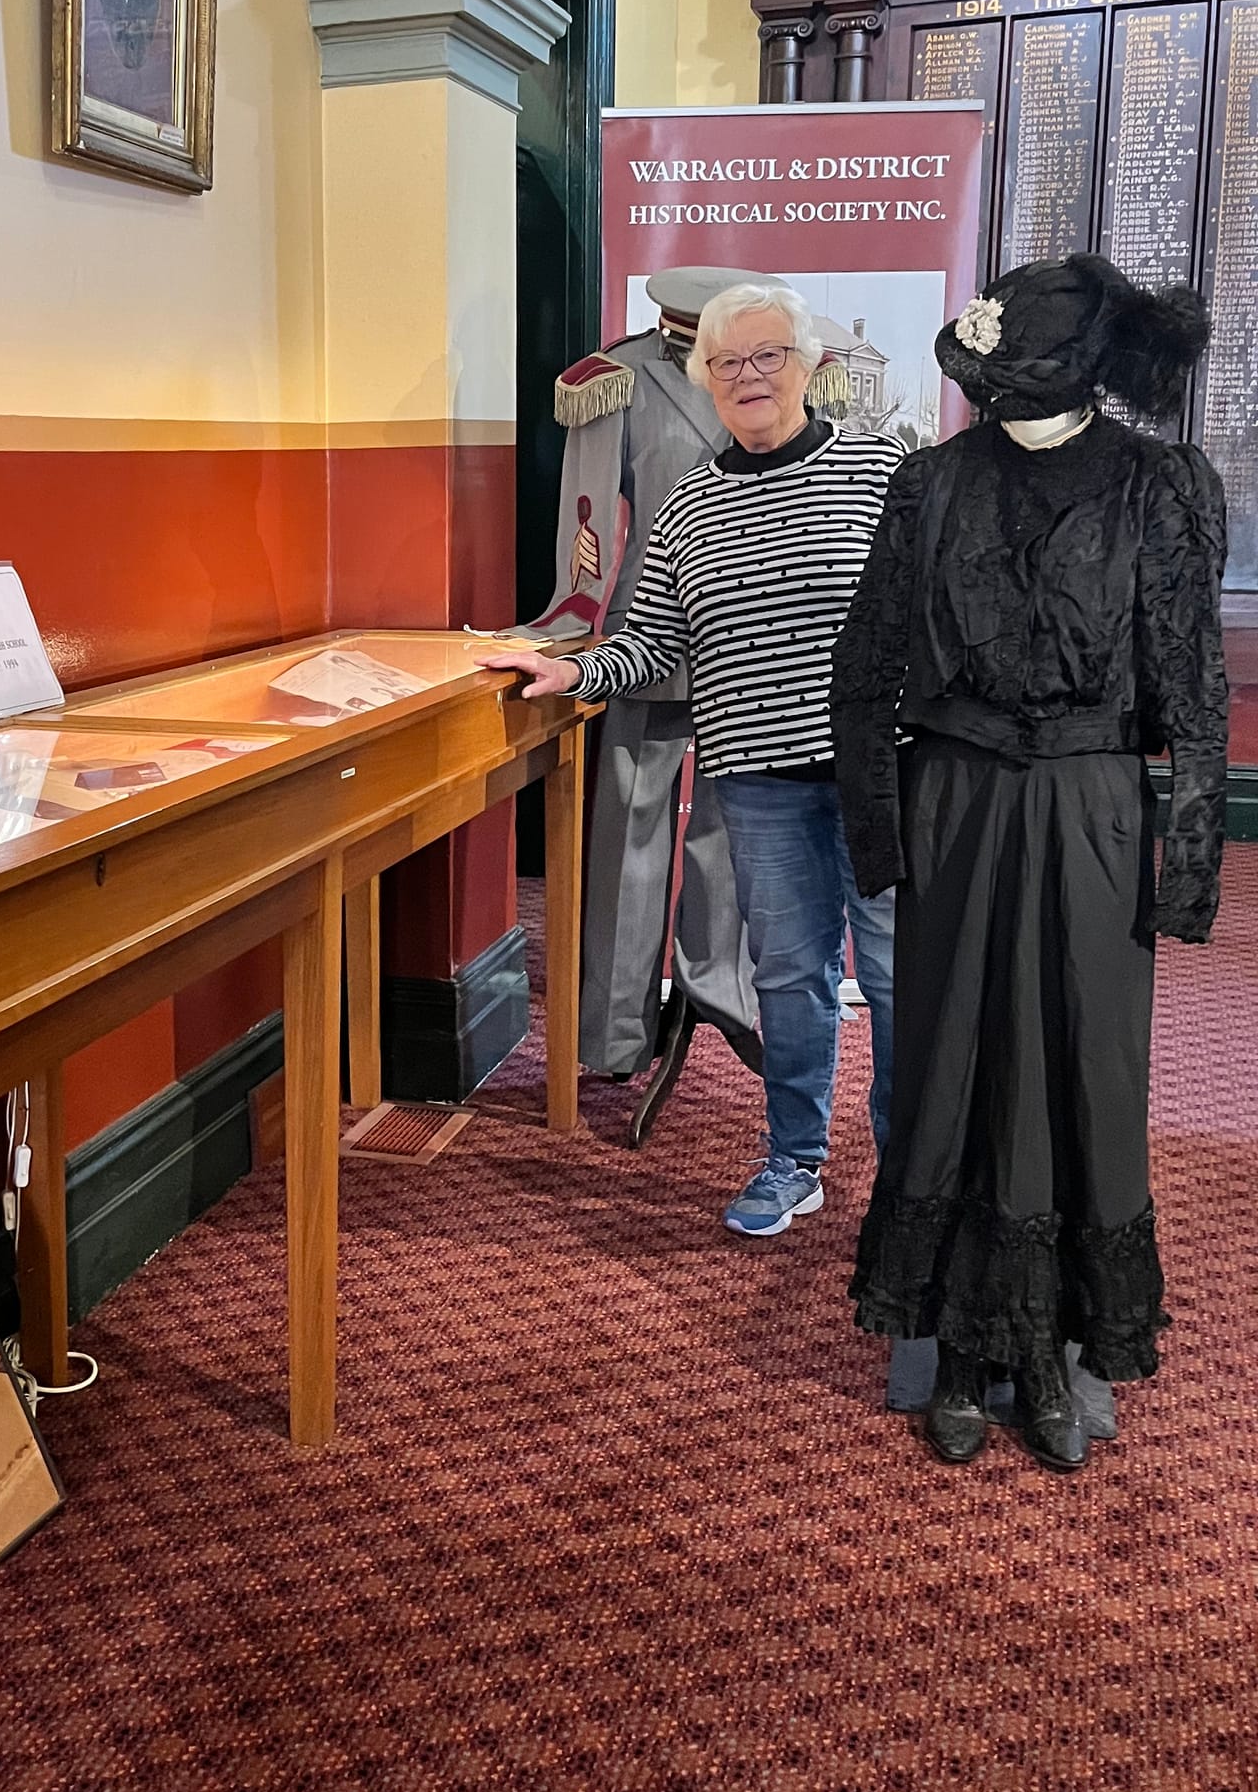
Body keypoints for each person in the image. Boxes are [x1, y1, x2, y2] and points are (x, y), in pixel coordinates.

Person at [831, 254, 1226, 1474]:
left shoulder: (1157, 486)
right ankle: (956, 1346)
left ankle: (1054, 1349)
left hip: (1092, 802)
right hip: (953, 797)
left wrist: (1188, 859)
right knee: (948, 1052)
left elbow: (1191, 681)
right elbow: (866, 669)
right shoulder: (928, 483)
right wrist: (878, 839)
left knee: (1079, 1063)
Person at [481, 282, 905, 1236]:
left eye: (767, 357)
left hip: (880, 777)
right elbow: (656, 644)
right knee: (790, 980)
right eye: (728, 363)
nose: (748, 377)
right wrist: (568, 670)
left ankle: (911, 1177)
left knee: (894, 979)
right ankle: (795, 1159)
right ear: (705, 378)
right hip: (757, 784)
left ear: (806, 367)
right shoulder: (686, 508)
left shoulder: (885, 472)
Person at [512, 267, 780, 1101]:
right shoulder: (616, 381)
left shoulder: (788, 374)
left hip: (754, 642)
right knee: (629, 833)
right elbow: (588, 514)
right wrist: (572, 615)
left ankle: (718, 999)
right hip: (648, 632)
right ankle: (614, 1028)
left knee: (731, 839)